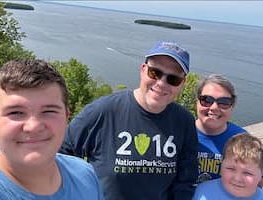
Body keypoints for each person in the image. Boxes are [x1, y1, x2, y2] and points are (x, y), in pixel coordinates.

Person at [60, 41, 198, 200]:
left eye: (173, 79)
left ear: (182, 84)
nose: (161, 83)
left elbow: (186, 181)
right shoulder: (102, 111)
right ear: (143, 70)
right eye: (155, 73)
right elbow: (61, 154)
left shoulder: (184, 121)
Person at [0, 60, 105, 200]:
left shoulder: (84, 174)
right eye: (16, 112)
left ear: (66, 117)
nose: (33, 126)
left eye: (49, 111)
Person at [196, 74, 263, 199]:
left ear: (232, 106)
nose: (214, 107)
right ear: (197, 101)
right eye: (206, 100)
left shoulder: (239, 140)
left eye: (224, 102)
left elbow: (261, 174)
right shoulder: (181, 133)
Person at [193, 133, 263, 200]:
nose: (237, 179)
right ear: (221, 165)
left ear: (261, 173)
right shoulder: (202, 192)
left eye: (247, 173)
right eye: (230, 169)